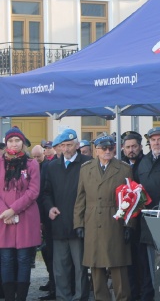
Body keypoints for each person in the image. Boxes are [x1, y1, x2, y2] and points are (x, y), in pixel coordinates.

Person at [74, 135, 134, 301]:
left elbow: (131, 200)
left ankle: (123, 298)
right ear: (96, 150)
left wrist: (129, 226)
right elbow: (81, 198)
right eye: (104, 148)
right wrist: (78, 223)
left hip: (115, 219)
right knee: (95, 265)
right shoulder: (86, 168)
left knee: (118, 265)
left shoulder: (124, 168)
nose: (108, 151)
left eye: (110, 148)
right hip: (92, 220)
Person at [43, 129, 91, 301]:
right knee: (60, 267)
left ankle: (80, 297)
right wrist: (50, 207)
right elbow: (46, 192)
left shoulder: (87, 163)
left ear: (77, 145)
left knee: (80, 267)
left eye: (70, 145)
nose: (66, 149)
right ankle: (63, 297)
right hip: (58, 223)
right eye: (63, 145)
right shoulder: (52, 166)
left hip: (80, 223)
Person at [0, 126, 41, 301]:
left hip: (26, 217)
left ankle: (21, 298)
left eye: (17, 140)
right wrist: (4, 212)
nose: (14, 144)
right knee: (7, 259)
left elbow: (33, 191)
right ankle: (9, 297)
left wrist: (13, 209)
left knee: (24, 260)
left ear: (22, 142)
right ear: (6, 143)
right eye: (10, 141)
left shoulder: (32, 164)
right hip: (3, 219)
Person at [137, 127, 160, 296]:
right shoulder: (144, 161)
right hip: (146, 221)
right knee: (150, 265)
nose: (156, 143)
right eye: (153, 140)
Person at [120, 131, 147, 301]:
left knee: (142, 261)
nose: (131, 150)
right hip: (125, 220)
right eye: (128, 147)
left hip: (143, 219)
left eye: (134, 146)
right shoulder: (120, 166)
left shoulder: (146, 163)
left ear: (140, 147)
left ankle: (144, 294)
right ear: (123, 148)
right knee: (127, 260)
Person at [31, 145, 56, 300]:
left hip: (47, 216)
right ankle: (51, 281)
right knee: (46, 252)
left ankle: (53, 284)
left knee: (50, 252)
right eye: (33, 157)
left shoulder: (47, 167)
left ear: (44, 155)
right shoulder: (34, 167)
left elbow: (42, 193)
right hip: (41, 216)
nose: (35, 160)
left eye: (38, 157)